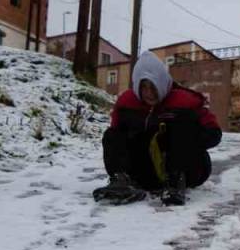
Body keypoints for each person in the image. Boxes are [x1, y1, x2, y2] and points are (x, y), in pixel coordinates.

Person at [92, 52, 222, 206]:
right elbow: (114, 137)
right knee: (112, 134)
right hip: (144, 172)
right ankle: (122, 180)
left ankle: (175, 182)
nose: (149, 93)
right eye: (144, 87)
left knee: (180, 126)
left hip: (188, 170)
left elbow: (214, 133)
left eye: (153, 86)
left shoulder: (184, 101)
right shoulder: (127, 102)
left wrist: (183, 142)